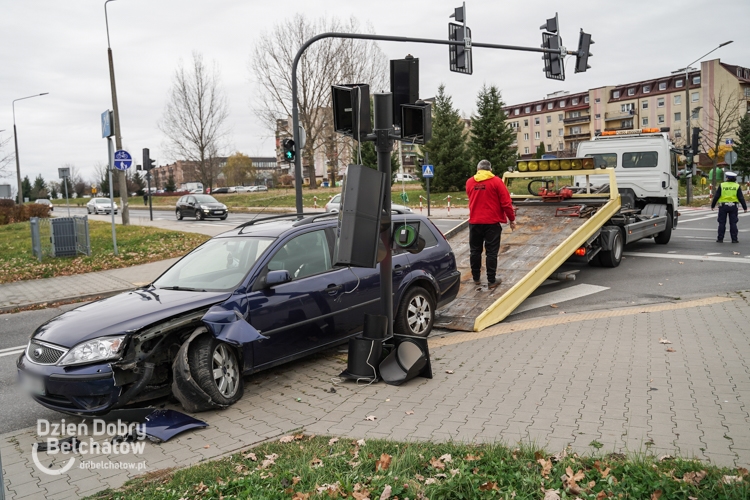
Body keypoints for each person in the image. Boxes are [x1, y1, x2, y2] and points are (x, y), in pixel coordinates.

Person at [466, 159, 516, 289]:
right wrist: (512, 219)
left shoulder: (470, 182)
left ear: (478, 170)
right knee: (491, 253)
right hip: (492, 224)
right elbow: (506, 203)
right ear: (490, 170)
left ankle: (476, 278)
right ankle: (491, 280)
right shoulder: (496, 182)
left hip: (474, 222)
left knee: (475, 251)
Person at [711, 171, 747, 243]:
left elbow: (717, 196)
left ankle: (720, 238)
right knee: (733, 223)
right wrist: (744, 207)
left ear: (727, 178)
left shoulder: (722, 185)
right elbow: (741, 197)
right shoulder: (736, 186)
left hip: (723, 206)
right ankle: (734, 239)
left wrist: (713, 205)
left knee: (722, 223)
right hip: (733, 206)